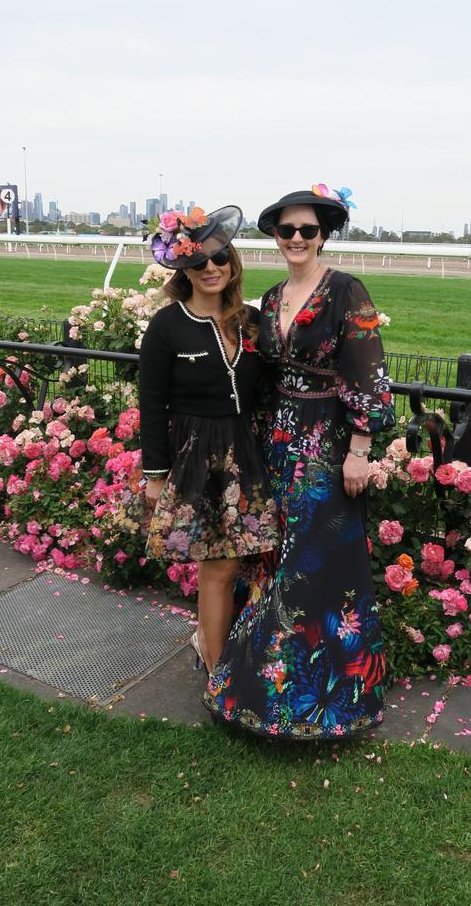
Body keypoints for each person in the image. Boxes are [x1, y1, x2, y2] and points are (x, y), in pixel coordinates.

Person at [203, 184, 395, 739]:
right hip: (279, 440)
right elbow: (256, 373)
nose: (296, 239)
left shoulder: (345, 291)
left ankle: (325, 699)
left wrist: (360, 450)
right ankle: (270, 689)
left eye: (307, 230)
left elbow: (367, 370)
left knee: (315, 565)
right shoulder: (270, 297)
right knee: (274, 555)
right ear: (275, 236)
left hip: (329, 443)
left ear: (323, 234)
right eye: (286, 230)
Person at [138, 203, 279, 673]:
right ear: (184, 269)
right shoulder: (167, 326)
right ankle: (217, 673)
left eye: (220, 258)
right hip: (198, 458)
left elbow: (272, 388)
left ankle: (210, 642)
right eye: (199, 262)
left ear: (232, 262)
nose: (211, 268)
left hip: (248, 453)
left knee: (236, 564)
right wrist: (155, 477)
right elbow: (152, 405)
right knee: (217, 567)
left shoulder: (253, 321)